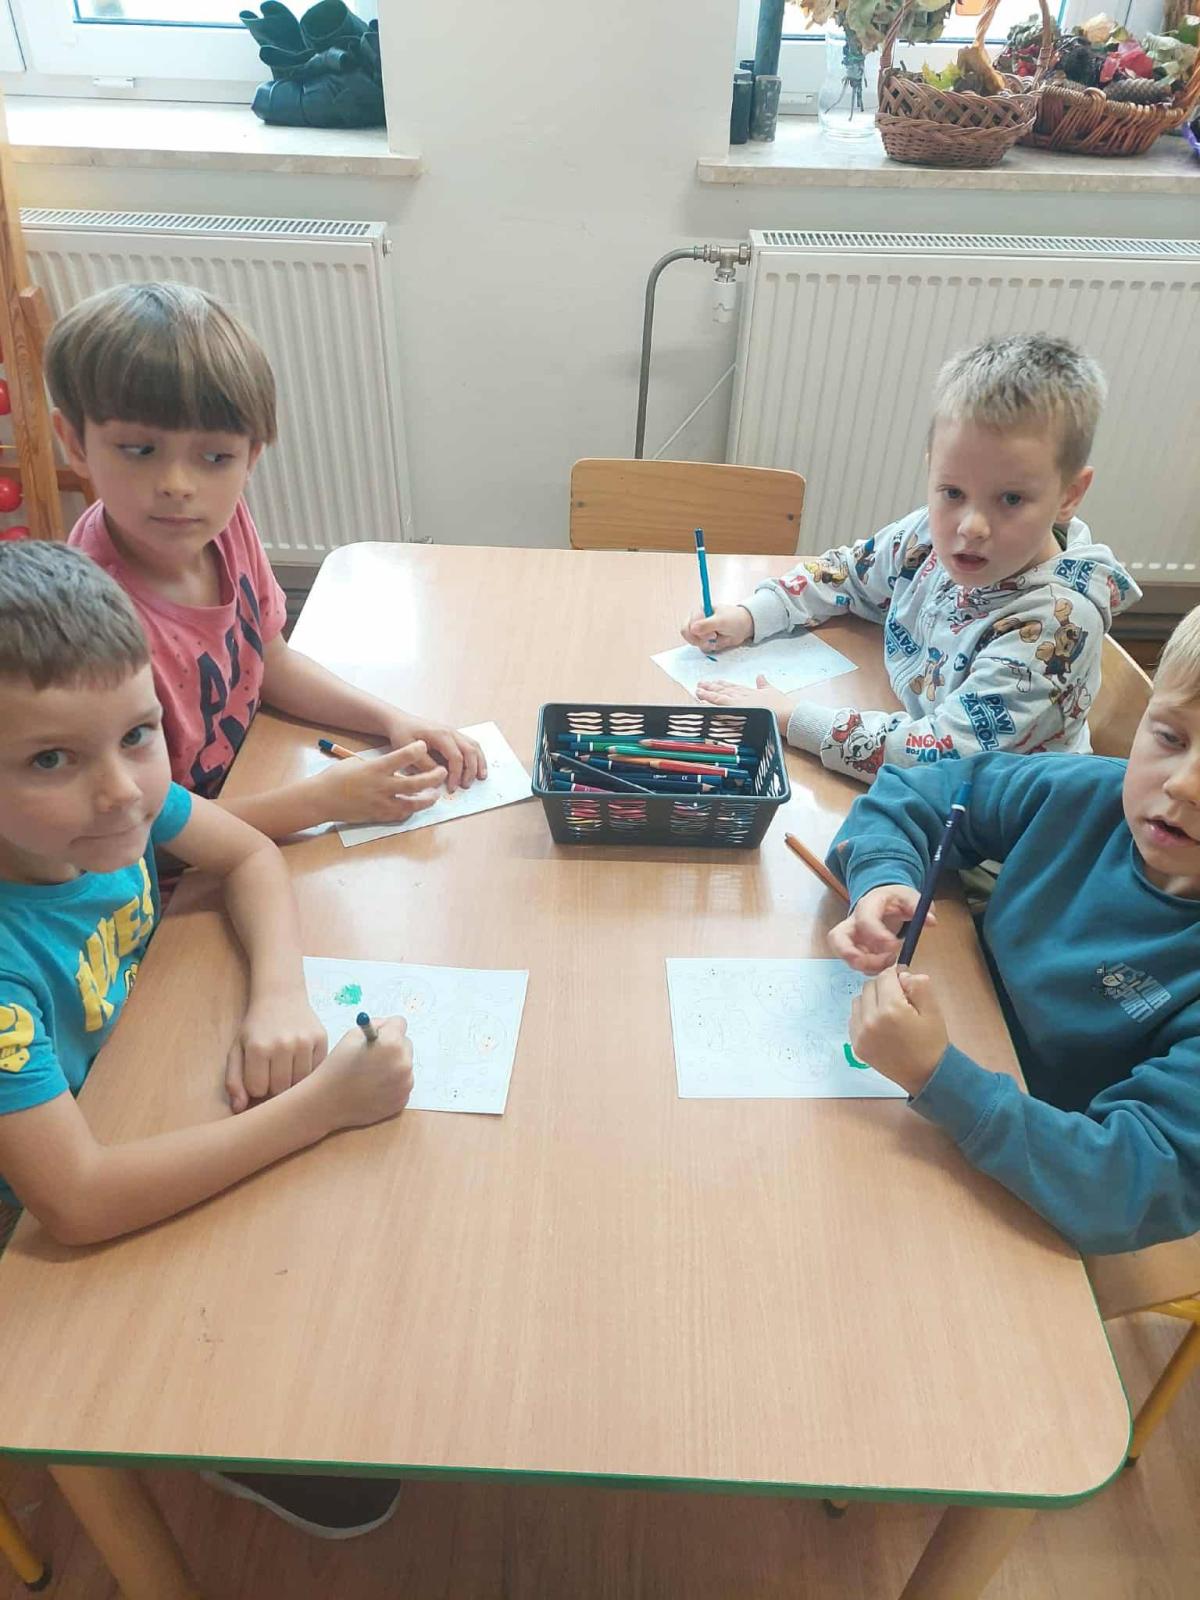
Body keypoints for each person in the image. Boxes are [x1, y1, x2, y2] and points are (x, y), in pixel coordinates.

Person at [0, 542, 412, 1535]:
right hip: (41, 1221)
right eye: (50, 759)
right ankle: (195, 1428)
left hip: (127, 1087)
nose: (122, 791)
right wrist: (324, 1108)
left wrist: (278, 994)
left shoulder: (108, 812)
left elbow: (250, 853)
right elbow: (76, 1203)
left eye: (139, 733)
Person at [47, 280, 485, 834]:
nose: (179, 484)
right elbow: (129, 835)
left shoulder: (222, 522)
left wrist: (392, 719)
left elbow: (268, 663)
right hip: (180, 870)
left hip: (255, 783)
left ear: (250, 456)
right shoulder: (85, 628)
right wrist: (317, 803)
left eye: (215, 457)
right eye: (139, 450)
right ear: (75, 443)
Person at [827, 606, 1200, 1254]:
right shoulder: (1086, 796)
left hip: (1042, 1181)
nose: (1185, 784)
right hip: (965, 1079)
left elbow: (1126, 1186)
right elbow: (918, 794)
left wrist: (938, 1076)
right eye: (1170, 736)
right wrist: (883, 878)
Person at [681, 335, 1139, 782]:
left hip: (998, 815)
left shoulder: (1053, 627)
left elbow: (941, 755)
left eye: (1011, 499)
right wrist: (752, 615)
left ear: (1069, 495)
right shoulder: (932, 536)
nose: (971, 526)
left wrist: (790, 717)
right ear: (932, 467)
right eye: (953, 492)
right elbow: (847, 573)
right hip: (913, 744)